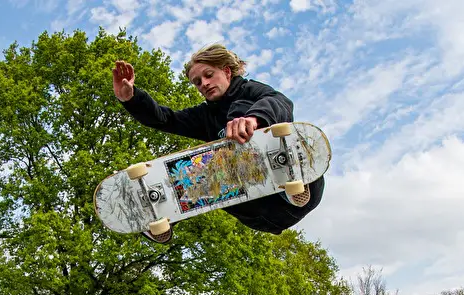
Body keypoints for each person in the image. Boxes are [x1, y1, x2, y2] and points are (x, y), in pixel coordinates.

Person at [112, 44, 324, 244]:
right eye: (197, 82)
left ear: (227, 72)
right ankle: (161, 215)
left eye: (208, 75)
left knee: (239, 112)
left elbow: (280, 102)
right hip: (261, 213)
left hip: (302, 189)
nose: (203, 83)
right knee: (196, 168)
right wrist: (131, 99)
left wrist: (253, 119)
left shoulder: (250, 91)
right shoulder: (204, 116)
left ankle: (285, 171)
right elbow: (166, 119)